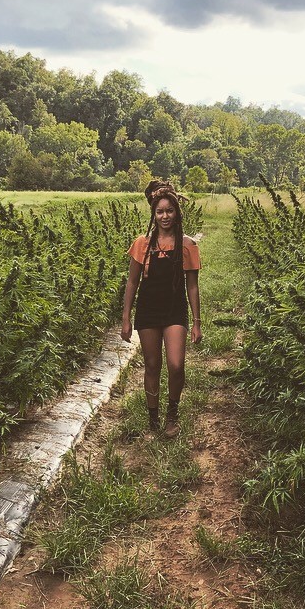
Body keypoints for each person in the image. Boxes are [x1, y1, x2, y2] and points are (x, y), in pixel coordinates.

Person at [121, 179, 202, 437]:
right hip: (148, 311)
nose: (165, 216)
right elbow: (132, 283)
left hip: (174, 310)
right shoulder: (142, 244)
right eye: (160, 211)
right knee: (152, 364)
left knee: (176, 365)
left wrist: (197, 322)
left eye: (169, 210)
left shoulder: (188, 245)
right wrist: (126, 318)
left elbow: (192, 287)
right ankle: (153, 418)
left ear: (177, 212)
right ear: (153, 214)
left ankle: (172, 413)